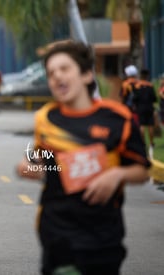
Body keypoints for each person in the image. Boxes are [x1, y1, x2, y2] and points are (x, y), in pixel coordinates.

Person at [15, 41, 150, 275]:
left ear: (87, 74)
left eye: (64, 69)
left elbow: (142, 171)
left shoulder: (117, 118)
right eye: (51, 73)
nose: (57, 77)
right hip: (57, 234)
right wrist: (26, 167)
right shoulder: (46, 117)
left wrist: (118, 174)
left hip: (103, 236)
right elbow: (39, 158)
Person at [132, 68, 157, 150]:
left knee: (142, 125)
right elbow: (154, 98)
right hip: (149, 107)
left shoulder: (137, 86)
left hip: (140, 107)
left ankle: (143, 143)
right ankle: (151, 143)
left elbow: (135, 98)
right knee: (150, 125)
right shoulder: (150, 85)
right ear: (147, 76)